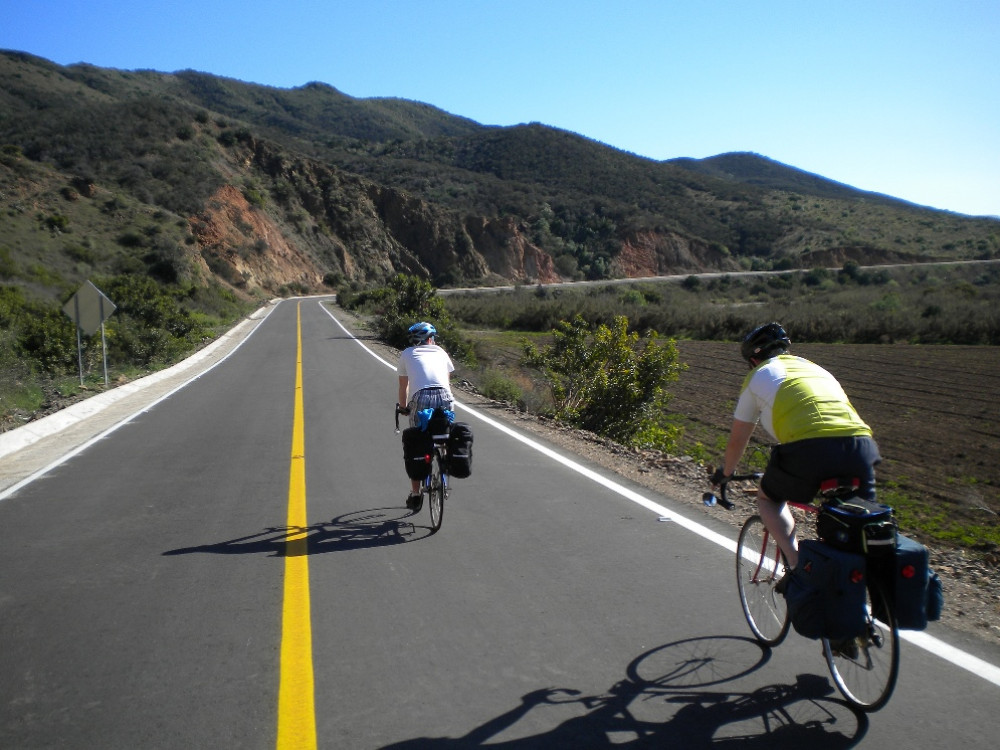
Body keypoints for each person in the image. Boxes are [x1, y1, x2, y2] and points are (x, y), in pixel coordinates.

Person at [711, 322, 880, 569]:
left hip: (810, 449)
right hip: (861, 446)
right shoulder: (817, 369)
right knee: (866, 526)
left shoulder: (758, 375)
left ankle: (797, 567)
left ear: (754, 360)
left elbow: (738, 439)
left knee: (768, 499)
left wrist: (726, 473)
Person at [397, 321, 455, 509]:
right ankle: (444, 460)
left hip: (421, 397)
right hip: (446, 397)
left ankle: (415, 494)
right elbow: (446, 382)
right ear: (431, 339)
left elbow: (403, 386)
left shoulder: (407, 353)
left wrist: (404, 407)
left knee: (416, 442)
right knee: (442, 432)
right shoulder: (441, 352)